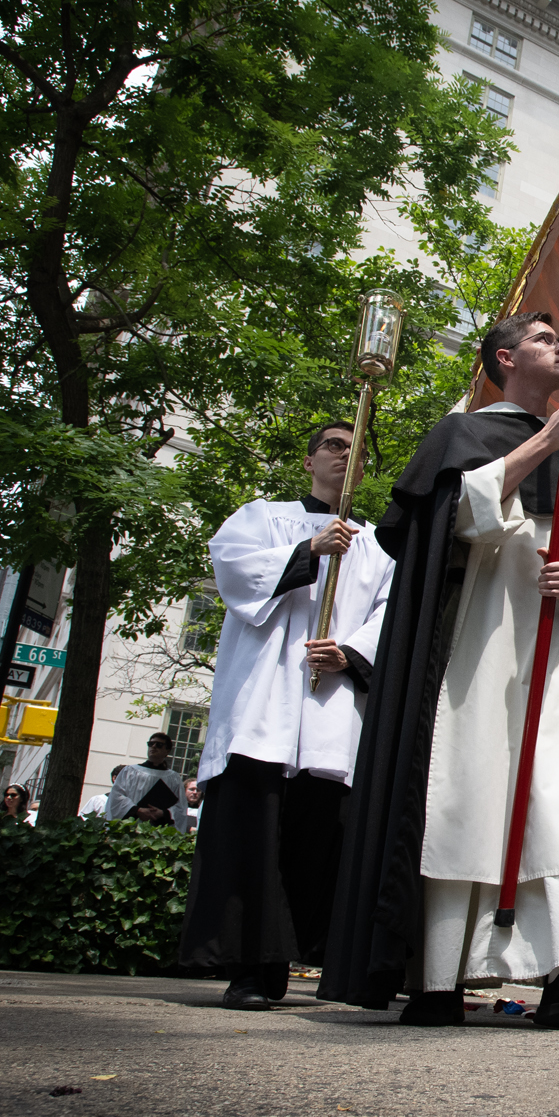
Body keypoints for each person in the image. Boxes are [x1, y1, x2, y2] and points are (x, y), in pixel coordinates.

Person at [318, 312, 559, 1029]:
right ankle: (437, 977)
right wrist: (542, 445)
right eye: (543, 340)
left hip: (552, 655)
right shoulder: (461, 435)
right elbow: (455, 524)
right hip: (474, 645)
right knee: (463, 794)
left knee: (555, 801)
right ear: (505, 357)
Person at [177, 422, 393, 1010]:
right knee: (252, 836)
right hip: (263, 703)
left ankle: (301, 961)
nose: (345, 457)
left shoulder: (376, 543)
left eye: (356, 451)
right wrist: (307, 550)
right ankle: (248, 972)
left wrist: (351, 652)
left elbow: (387, 612)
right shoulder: (262, 517)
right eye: (332, 446)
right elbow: (233, 570)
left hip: (328, 711)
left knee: (313, 839)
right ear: (308, 461)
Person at [105, 733, 191, 829]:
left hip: (158, 830)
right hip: (131, 827)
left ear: (167, 750)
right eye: (150, 744)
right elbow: (116, 797)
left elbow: (180, 807)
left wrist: (163, 813)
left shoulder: (173, 778)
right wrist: (137, 810)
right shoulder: (130, 771)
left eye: (159, 745)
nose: (153, 747)